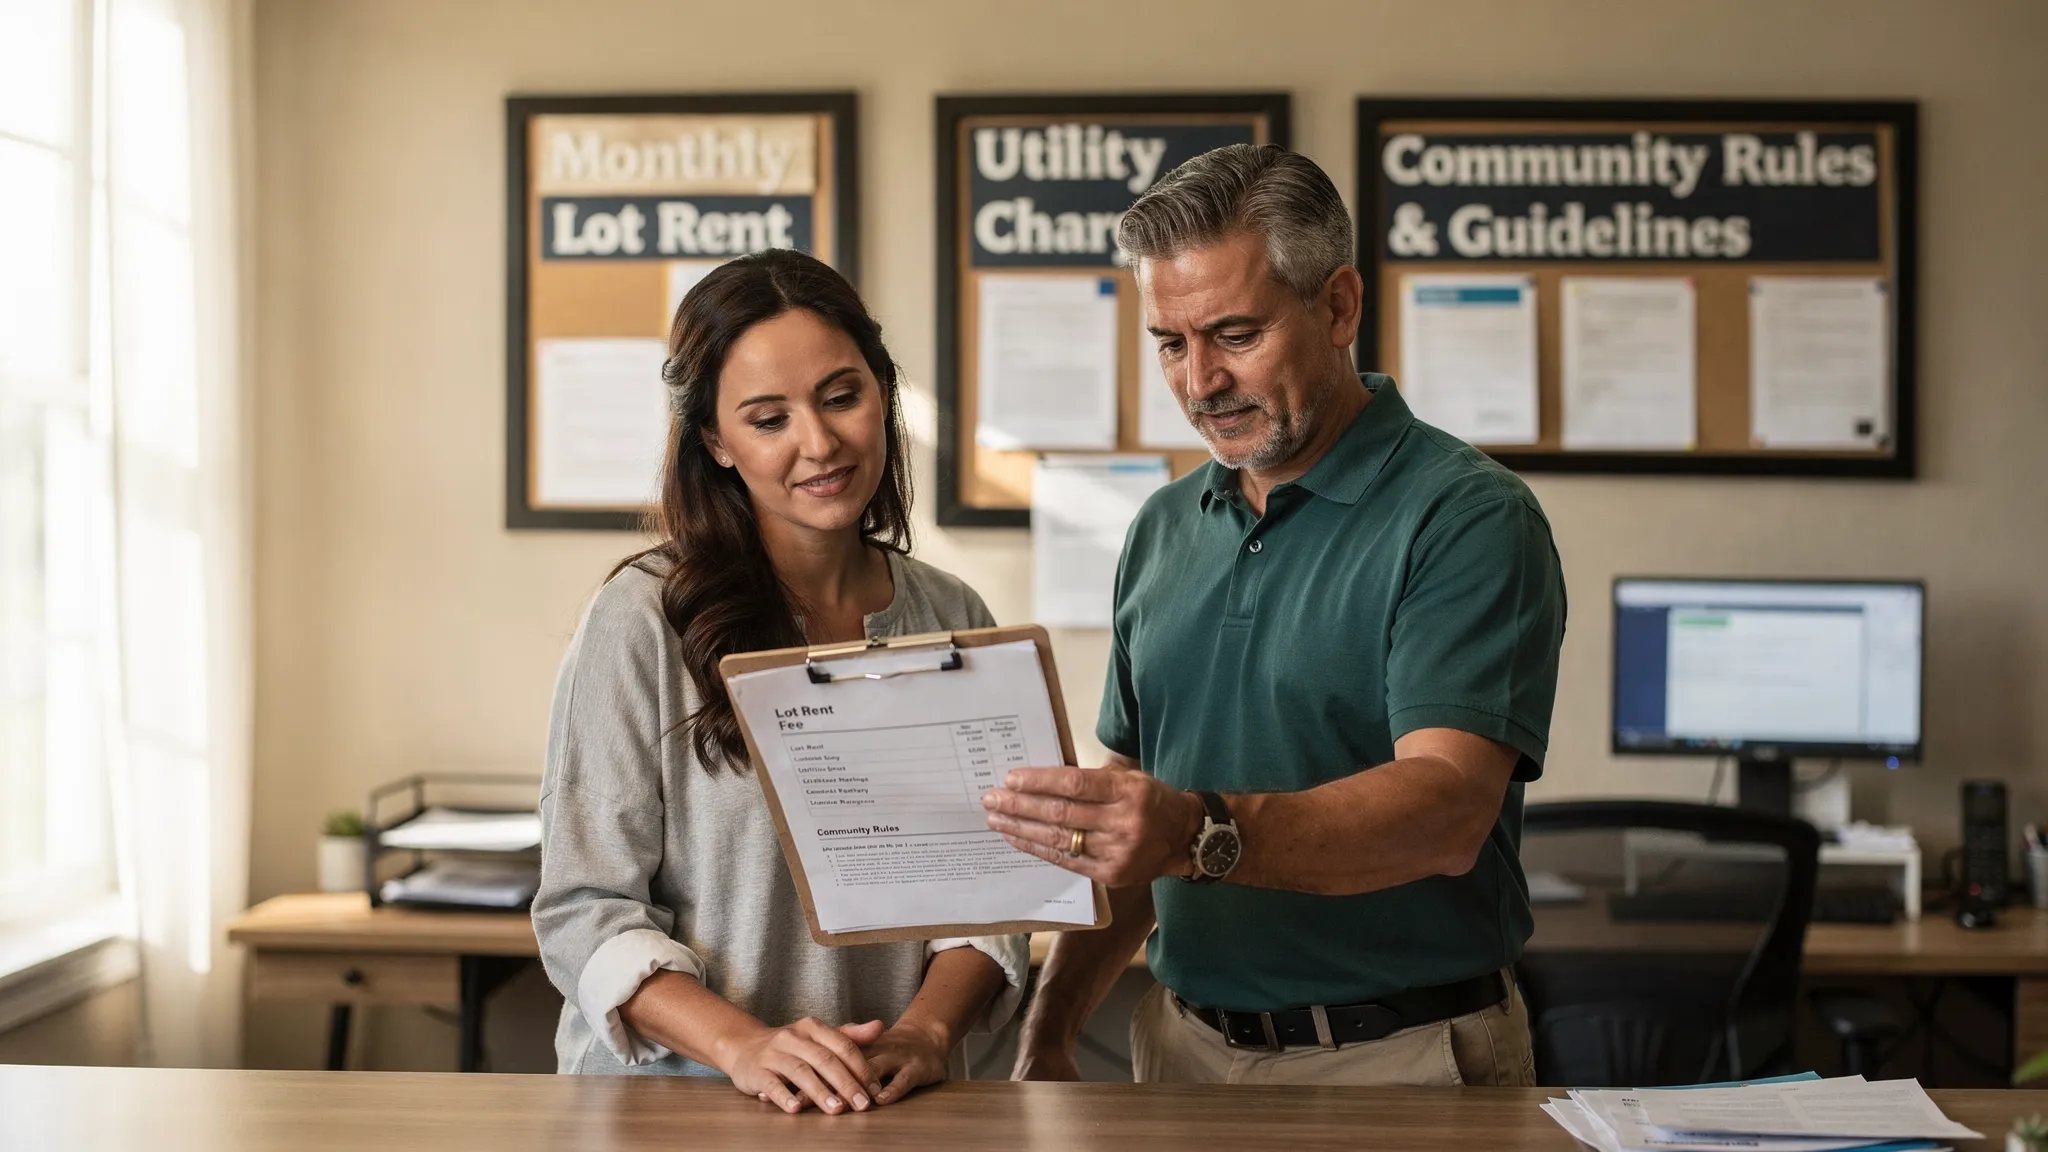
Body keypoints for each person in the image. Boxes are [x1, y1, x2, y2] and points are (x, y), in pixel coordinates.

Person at [982, 144, 1567, 1087]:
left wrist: (1192, 831)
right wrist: (1049, 1031)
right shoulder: (1162, 528)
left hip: (1403, 1061)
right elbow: (1134, 821)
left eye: (1235, 335)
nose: (1199, 381)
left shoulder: (1466, 515)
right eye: (1171, 344)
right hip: (1177, 1051)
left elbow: (1449, 810)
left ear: (1339, 306)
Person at [533, 249, 1025, 1113]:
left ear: (882, 393)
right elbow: (583, 910)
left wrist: (928, 1032)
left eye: (842, 396)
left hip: (888, 1108)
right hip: (677, 1110)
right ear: (717, 443)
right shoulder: (640, 619)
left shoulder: (956, 614)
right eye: (769, 419)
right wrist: (746, 1046)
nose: (820, 442)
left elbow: (988, 894)